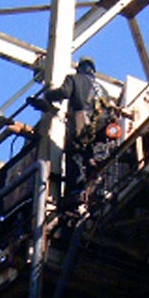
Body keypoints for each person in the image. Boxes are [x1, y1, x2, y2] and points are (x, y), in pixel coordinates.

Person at [33, 57, 102, 209]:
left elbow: (64, 92)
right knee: (90, 155)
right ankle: (93, 185)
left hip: (80, 119)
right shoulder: (100, 87)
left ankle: (75, 191)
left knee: (74, 153)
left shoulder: (74, 79)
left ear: (80, 67)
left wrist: (48, 95)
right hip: (97, 124)